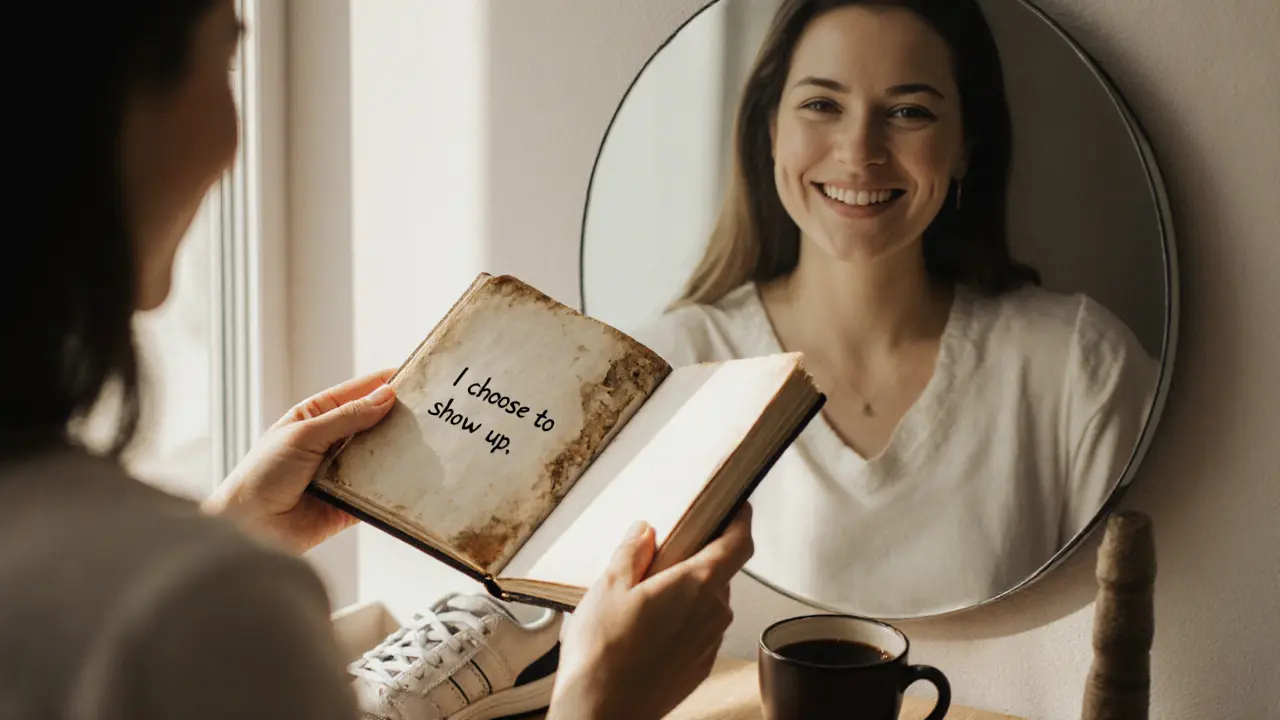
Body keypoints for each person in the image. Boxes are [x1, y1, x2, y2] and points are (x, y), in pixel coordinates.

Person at [0, 2, 752, 719]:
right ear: (109, 104)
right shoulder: (195, 612)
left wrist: (233, 528)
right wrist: (603, 702)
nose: (233, 144)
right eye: (227, 61)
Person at [633, 0, 1158, 616]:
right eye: (822, 104)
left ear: (965, 147)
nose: (860, 153)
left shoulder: (1077, 366)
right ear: (771, 129)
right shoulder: (670, 372)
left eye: (909, 111)